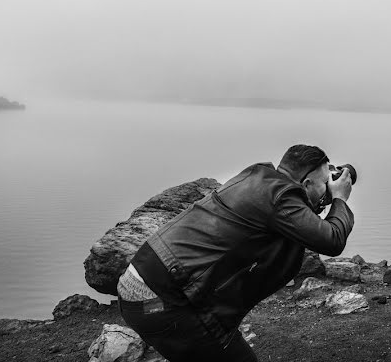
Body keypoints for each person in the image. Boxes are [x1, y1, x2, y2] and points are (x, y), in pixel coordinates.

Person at [117, 144, 355, 362]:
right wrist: (340, 199)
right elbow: (332, 240)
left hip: (145, 281)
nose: (330, 187)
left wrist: (319, 197)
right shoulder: (281, 199)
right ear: (305, 184)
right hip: (161, 300)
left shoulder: (257, 177)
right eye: (326, 182)